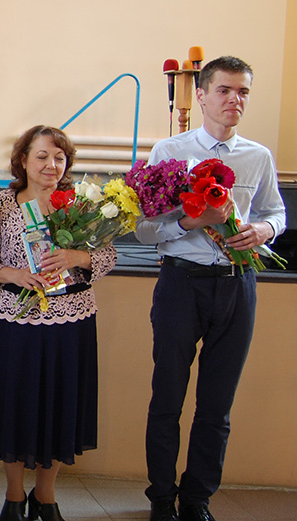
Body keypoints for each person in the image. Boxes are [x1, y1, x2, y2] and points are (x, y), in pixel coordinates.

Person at [135, 56, 286, 521]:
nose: (234, 99)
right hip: (182, 283)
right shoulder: (170, 152)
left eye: (243, 92)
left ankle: (197, 499)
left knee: (217, 404)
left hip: (237, 286)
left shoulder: (258, 156)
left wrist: (264, 230)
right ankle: (162, 496)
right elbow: (143, 229)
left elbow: (277, 212)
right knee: (167, 397)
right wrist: (190, 221)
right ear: (200, 96)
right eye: (224, 90)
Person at [0, 125, 116, 521]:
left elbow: (108, 256)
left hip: (70, 321)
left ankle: (46, 495)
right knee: (15, 405)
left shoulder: (80, 204)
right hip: (15, 322)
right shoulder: (3, 205)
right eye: (42, 156)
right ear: (23, 160)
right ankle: (14, 495)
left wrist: (76, 257)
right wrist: (13, 275)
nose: (51, 164)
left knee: (60, 405)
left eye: (59, 157)